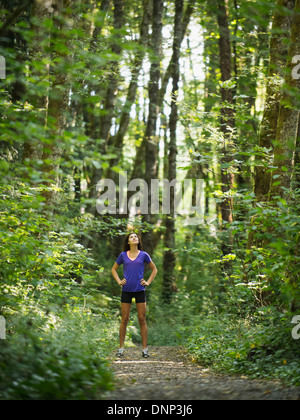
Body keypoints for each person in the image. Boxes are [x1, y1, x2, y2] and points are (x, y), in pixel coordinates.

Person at [111, 232, 158, 358]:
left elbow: (154, 269)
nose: (134, 238)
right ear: (128, 242)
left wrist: (147, 282)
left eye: (136, 236)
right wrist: (119, 281)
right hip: (126, 290)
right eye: (131, 237)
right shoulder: (123, 255)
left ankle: (145, 349)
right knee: (124, 319)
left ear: (138, 241)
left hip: (139, 290)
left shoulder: (144, 255)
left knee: (142, 319)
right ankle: (121, 348)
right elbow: (113, 269)